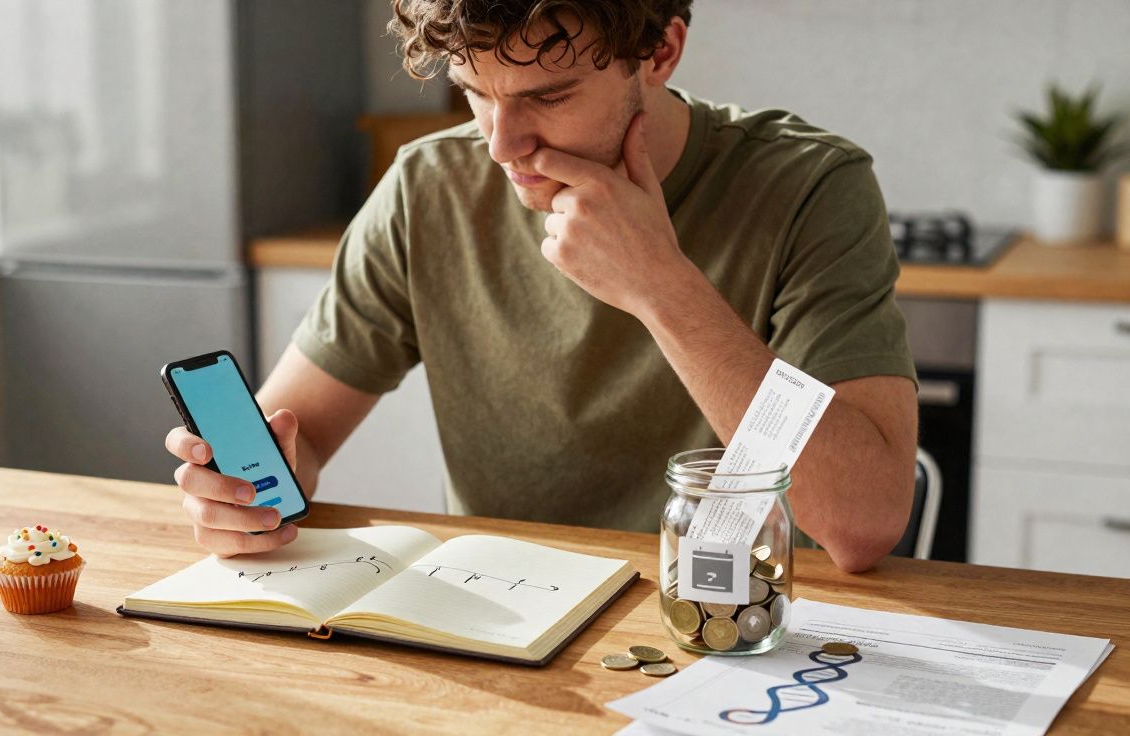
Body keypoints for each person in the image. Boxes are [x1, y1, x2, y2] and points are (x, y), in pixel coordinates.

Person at [165, 0, 918, 573]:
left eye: (547, 97)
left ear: (660, 51)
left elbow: (861, 522)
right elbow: (295, 434)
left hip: (735, 620)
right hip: (509, 614)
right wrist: (238, 496)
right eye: (476, 92)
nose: (501, 144)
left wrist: (660, 284)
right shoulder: (428, 188)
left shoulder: (811, 186)